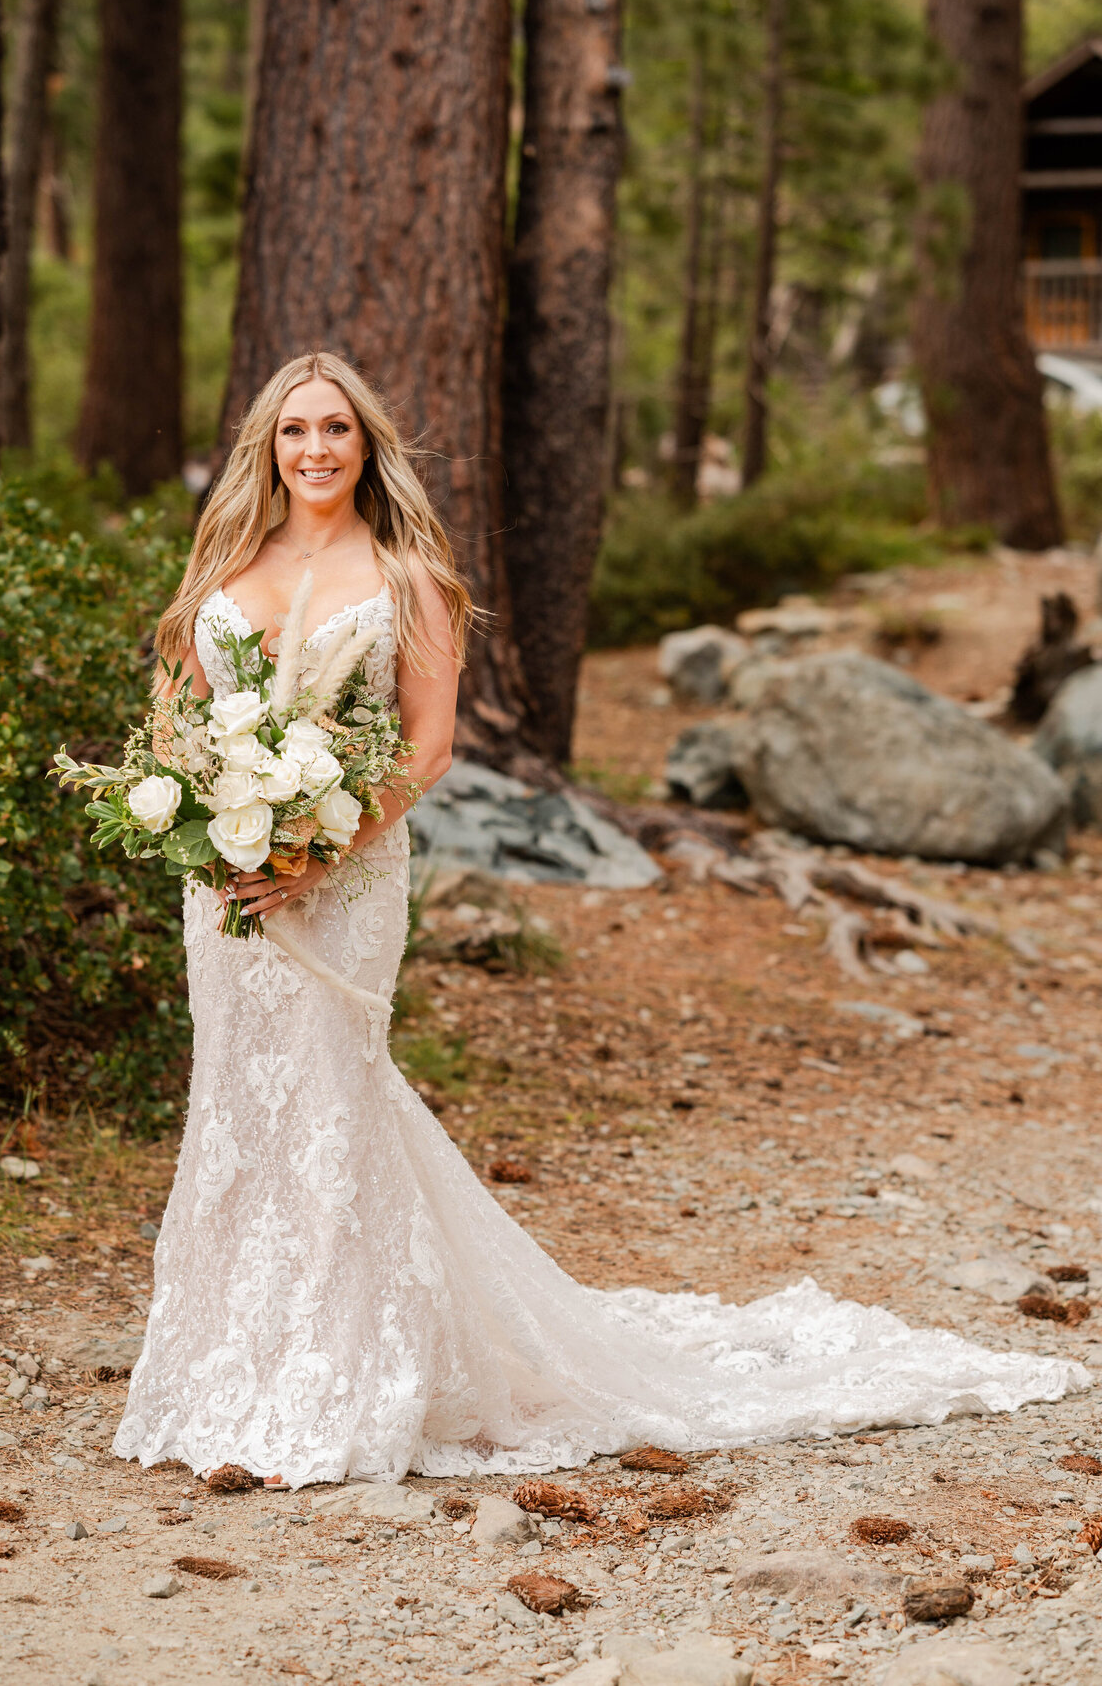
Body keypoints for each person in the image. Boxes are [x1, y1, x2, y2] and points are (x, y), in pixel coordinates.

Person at [114, 352, 1085, 1487]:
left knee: (333, 1087)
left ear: (367, 446)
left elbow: (428, 745)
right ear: (267, 448)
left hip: (344, 868)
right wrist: (207, 811)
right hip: (225, 878)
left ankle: (340, 1379)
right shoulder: (226, 559)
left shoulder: (409, 574)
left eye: (337, 429)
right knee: (236, 1093)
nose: (316, 449)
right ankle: (224, 1364)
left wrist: (316, 842)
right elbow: (175, 706)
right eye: (295, 431)